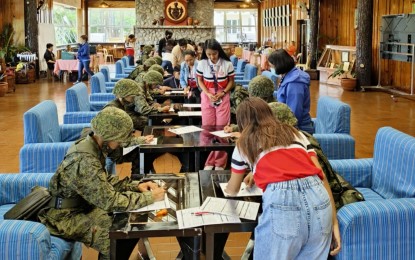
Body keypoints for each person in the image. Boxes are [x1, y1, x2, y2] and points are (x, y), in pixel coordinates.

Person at [39, 107, 166, 260]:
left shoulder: (93, 145)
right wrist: (150, 197)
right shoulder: (85, 160)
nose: (120, 143)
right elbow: (109, 200)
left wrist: (135, 186)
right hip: (65, 216)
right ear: (109, 136)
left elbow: (103, 181)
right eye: (119, 139)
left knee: (128, 225)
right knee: (116, 238)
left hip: (82, 206)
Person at [225, 97, 341, 260]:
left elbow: (233, 189)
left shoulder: (243, 142)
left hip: (284, 204)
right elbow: (319, 174)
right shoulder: (295, 133)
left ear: (242, 122)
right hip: (320, 201)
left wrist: (226, 188)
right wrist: (333, 220)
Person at [196, 38, 235, 170]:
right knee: (208, 129)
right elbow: (199, 80)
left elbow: (231, 81)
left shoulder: (227, 64)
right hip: (208, 96)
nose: (212, 57)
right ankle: (209, 161)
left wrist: (223, 92)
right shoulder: (202, 63)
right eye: (209, 54)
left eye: (214, 53)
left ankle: (219, 162)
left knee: (222, 130)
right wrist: (207, 93)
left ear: (219, 51)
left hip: (222, 96)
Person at [268, 49, 314, 134]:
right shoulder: (289, 75)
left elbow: (294, 113)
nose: (271, 69)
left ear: (279, 65)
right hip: (290, 125)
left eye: (272, 66)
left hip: (299, 129)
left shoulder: (295, 82)